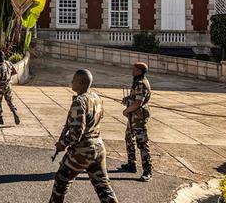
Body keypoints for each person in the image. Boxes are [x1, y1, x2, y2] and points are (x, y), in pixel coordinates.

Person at [49, 69, 118, 203]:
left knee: (61, 180)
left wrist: (62, 144)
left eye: (74, 80)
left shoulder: (79, 102)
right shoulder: (96, 98)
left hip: (83, 150)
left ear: (80, 82)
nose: (71, 82)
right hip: (98, 148)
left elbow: (76, 132)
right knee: (103, 187)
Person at [120, 62, 153, 182]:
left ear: (139, 71)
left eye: (134, 69)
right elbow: (136, 98)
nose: (132, 71)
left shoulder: (141, 83)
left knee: (142, 143)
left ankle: (147, 171)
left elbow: (138, 103)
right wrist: (127, 99)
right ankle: (131, 164)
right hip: (133, 117)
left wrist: (126, 110)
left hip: (138, 118)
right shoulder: (137, 81)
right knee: (129, 138)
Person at [0, 51, 20, 125]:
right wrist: (8, 76)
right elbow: (15, 71)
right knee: (10, 100)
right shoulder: (8, 63)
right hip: (8, 86)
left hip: (1, 87)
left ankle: (0, 118)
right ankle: (15, 112)